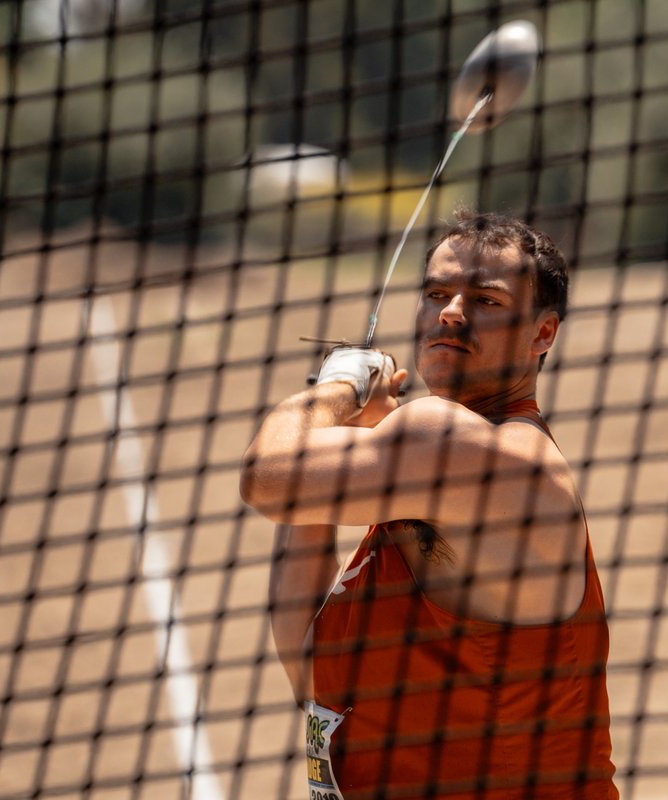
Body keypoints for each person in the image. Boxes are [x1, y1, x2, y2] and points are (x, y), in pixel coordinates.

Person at [241, 209, 619, 800]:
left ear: (543, 334)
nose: (450, 311)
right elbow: (316, 672)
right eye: (437, 292)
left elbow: (266, 478)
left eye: (487, 300)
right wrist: (352, 446)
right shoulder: (426, 476)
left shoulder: (454, 442)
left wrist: (334, 390)